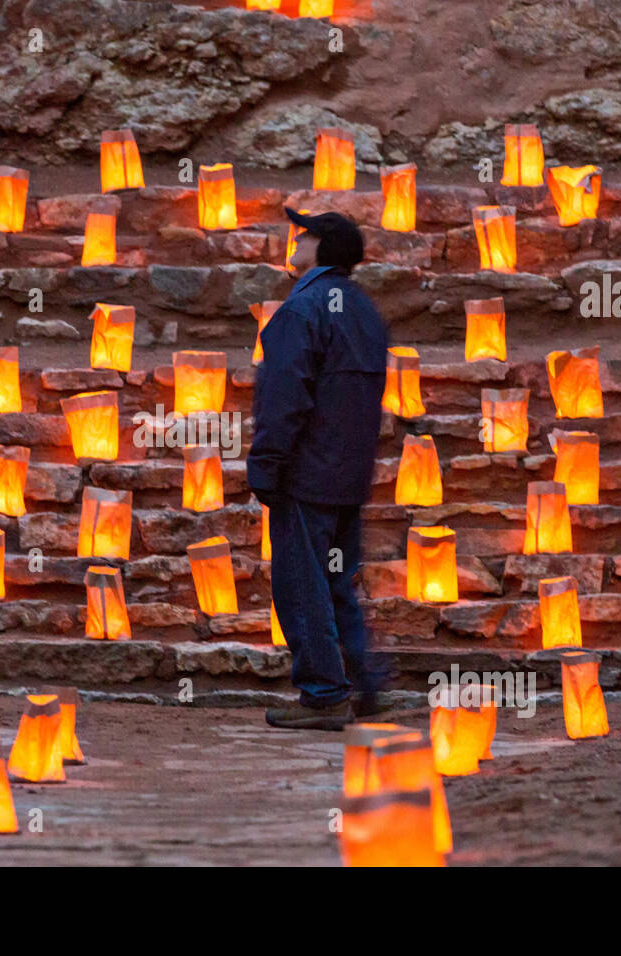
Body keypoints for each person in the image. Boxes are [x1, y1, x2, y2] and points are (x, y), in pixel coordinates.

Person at [248, 208, 388, 731]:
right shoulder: (365, 311)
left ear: (321, 247)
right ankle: (364, 684)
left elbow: (285, 395)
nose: (295, 239)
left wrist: (266, 465)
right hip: (348, 478)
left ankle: (326, 693)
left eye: (302, 234)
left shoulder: (303, 309)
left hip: (306, 478)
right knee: (335, 581)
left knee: (303, 584)